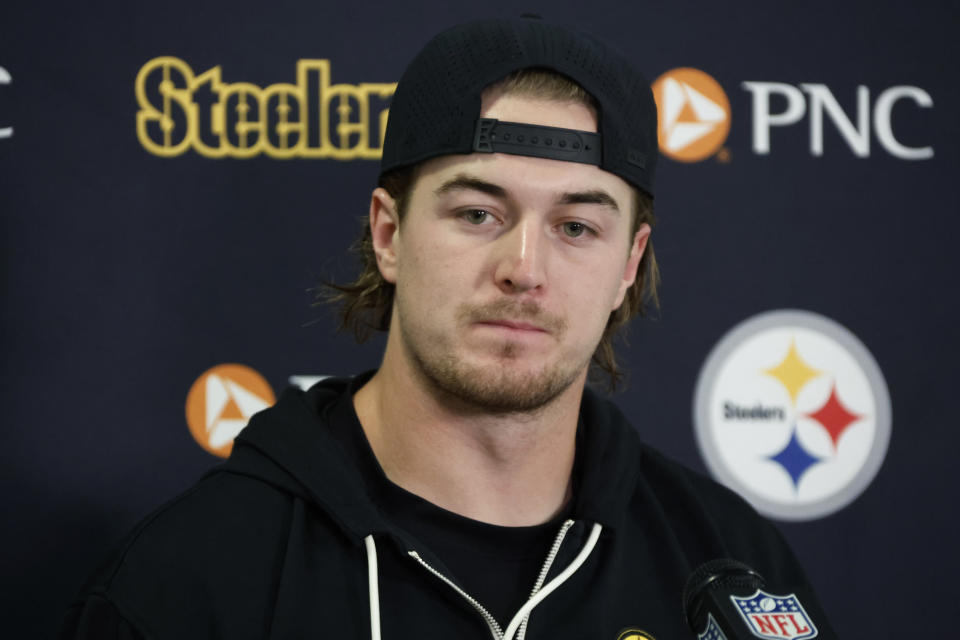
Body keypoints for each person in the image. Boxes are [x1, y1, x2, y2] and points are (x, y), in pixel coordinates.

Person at [62, 17, 834, 640]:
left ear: (629, 264)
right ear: (388, 235)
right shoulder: (194, 580)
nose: (523, 268)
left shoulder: (732, 567)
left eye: (575, 227)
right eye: (478, 213)